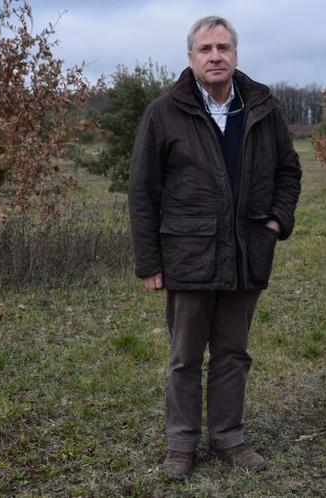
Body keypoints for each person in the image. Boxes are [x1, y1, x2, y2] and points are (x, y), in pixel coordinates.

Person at [128, 15, 301, 481]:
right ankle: (181, 444)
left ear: (236, 54)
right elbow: (143, 190)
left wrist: (275, 222)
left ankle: (229, 437)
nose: (215, 56)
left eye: (223, 47)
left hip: (247, 251)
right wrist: (149, 261)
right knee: (185, 356)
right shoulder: (164, 112)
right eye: (205, 49)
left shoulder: (263, 107)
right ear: (191, 58)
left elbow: (289, 171)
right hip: (187, 254)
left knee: (233, 353)